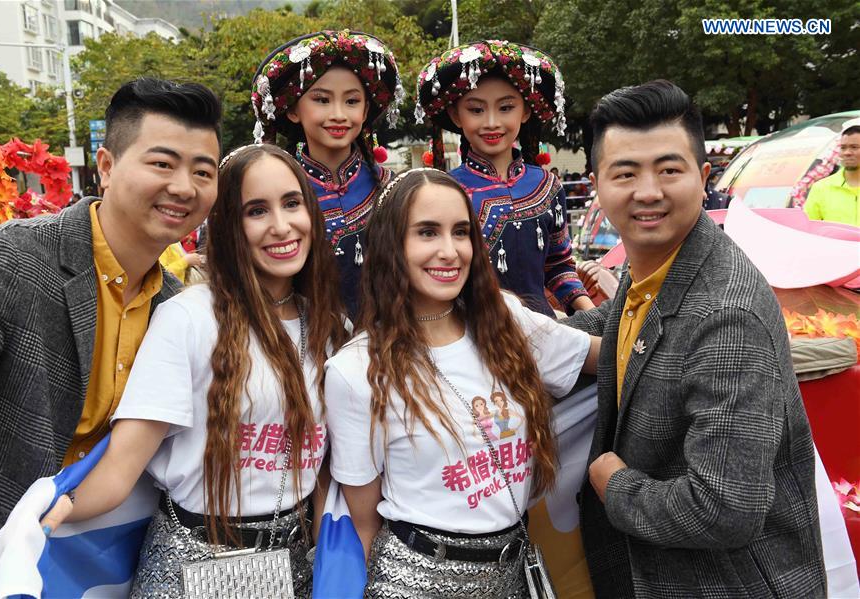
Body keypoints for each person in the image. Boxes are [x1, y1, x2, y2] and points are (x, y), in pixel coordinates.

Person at [40, 144, 350, 597]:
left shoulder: (329, 325)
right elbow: (121, 467)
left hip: (293, 569)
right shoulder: (187, 320)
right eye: (256, 210)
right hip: (191, 570)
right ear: (228, 228)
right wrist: (38, 518)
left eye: (292, 203)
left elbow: (324, 470)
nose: (281, 226)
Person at [564, 80, 826, 597]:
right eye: (625, 173)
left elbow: (725, 509)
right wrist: (504, 335)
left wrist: (613, 485)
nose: (648, 192)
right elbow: (615, 321)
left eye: (668, 170)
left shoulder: (728, 315)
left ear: (703, 178)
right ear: (597, 184)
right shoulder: (661, 267)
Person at [0, 78, 221, 595]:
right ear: (105, 166)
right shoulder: (8, 261)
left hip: (96, 564)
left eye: (203, 172)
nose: (184, 188)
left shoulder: (177, 308)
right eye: (162, 164)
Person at [324, 168, 600, 597]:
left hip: (515, 571)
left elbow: (607, 358)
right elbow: (364, 523)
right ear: (390, 245)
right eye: (427, 233)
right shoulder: (354, 371)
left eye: (461, 232)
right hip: (415, 582)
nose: (450, 251)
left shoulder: (506, 322)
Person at [413, 40, 594, 317]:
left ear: (526, 111)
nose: (492, 122)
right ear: (455, 115)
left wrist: (595, 315)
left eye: (506, 108)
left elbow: (558, 266)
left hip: (547, 337)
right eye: (476, 110)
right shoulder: (444, 191)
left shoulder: (547, 186)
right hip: (472, 336)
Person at [250, 30, 404, 318]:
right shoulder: (270, 191)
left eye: (352, 101)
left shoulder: (393, 188)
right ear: (293, 110)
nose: (338, 114)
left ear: (366, 109)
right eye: (322, 100)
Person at [803, 123, 860, 226]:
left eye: (854, 147)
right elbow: (807, 228)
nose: (847, 152)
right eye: (843, 148)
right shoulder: (821, 188)